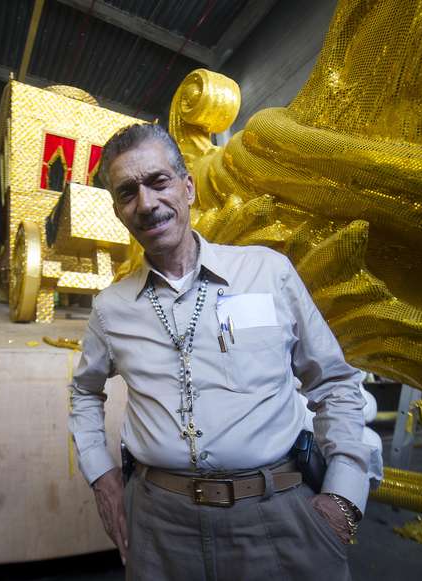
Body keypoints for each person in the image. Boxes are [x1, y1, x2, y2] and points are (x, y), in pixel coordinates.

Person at [68, 124, 372, 580]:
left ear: (187, 188)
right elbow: (84, 393)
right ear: (118, 211)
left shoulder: (267, 272)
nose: (146, 203)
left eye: (158, 182)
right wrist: (101, 474)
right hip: (159, 528)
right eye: (128, 192)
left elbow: (335, 381)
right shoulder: (111, 309)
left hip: (279, 515)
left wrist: (346, 495)